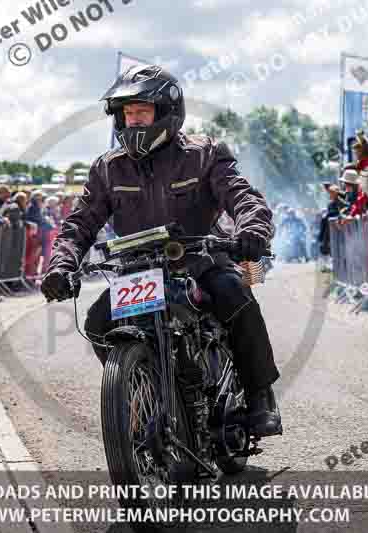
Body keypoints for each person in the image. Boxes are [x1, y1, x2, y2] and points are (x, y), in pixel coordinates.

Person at [40, 64, 281, 437]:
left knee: (236, 295)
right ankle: (143, 388)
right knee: (98, 323)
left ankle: (259, 394)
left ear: (166, 113)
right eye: (127, 114)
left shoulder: (204, 153)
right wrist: (61, 267)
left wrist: (251, 228)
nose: (133, 121)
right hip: (139, 273)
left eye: (142, 112)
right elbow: (79, 224)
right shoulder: (108, 168)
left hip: (200, 261)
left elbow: (242, 195)